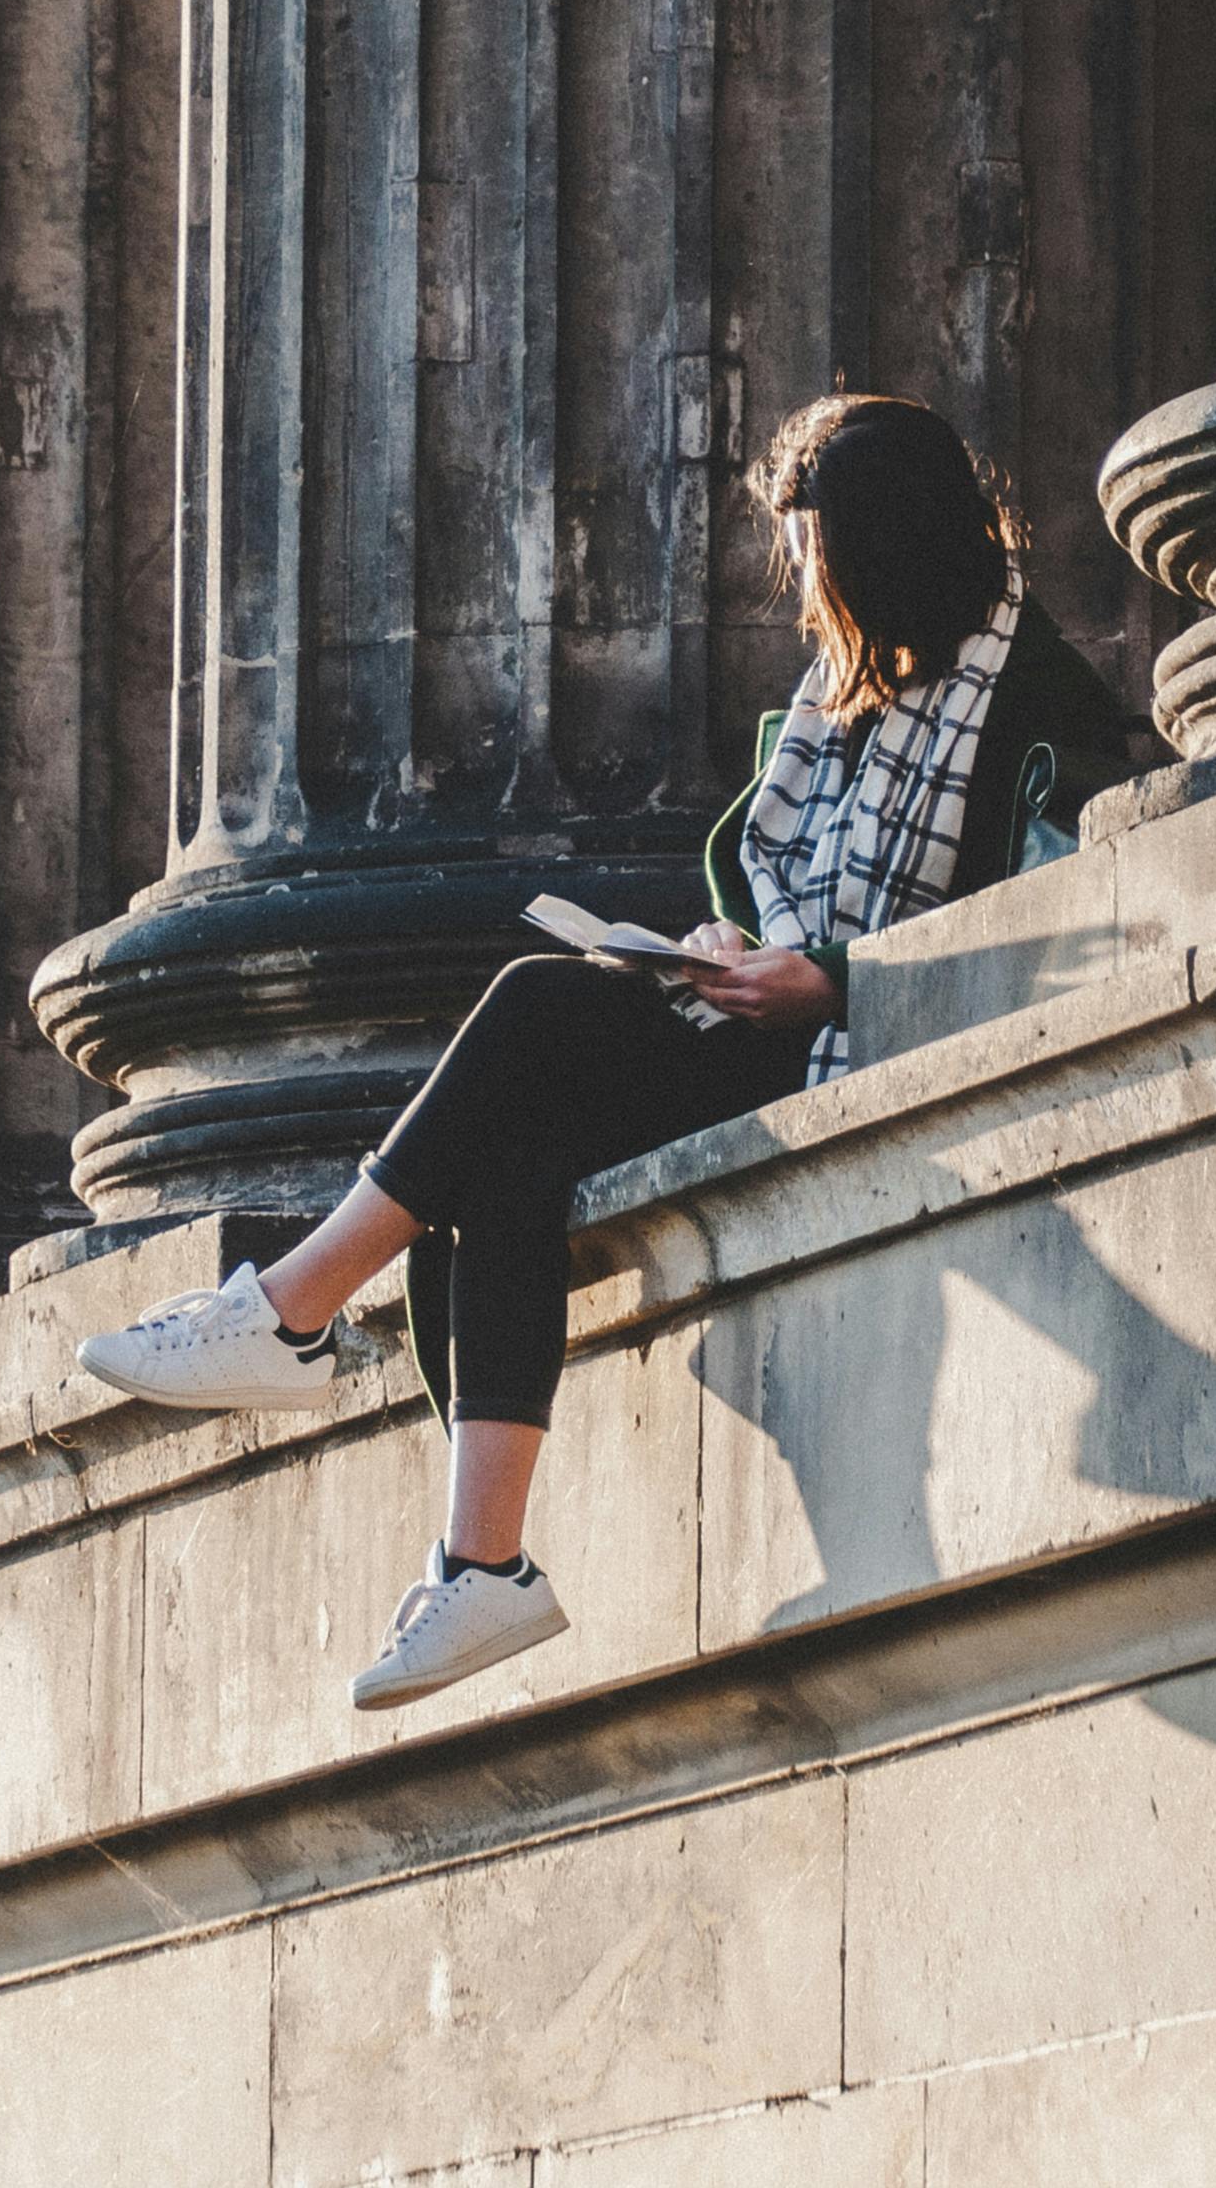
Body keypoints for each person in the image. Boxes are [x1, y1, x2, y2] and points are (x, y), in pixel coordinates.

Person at [71, 390, 1130, 1710]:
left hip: (857, 1036)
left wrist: (830, 980)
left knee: (534, 1000)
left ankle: (287, 1309)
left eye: (828, 570)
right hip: (770, 1018)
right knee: (505, 1164)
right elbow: (780, 889)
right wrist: (731, 947)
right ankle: (482, 1564)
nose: (813, 603)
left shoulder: (1036, 707)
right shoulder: (836, 703)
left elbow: (1070, 933)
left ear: (896, 554)